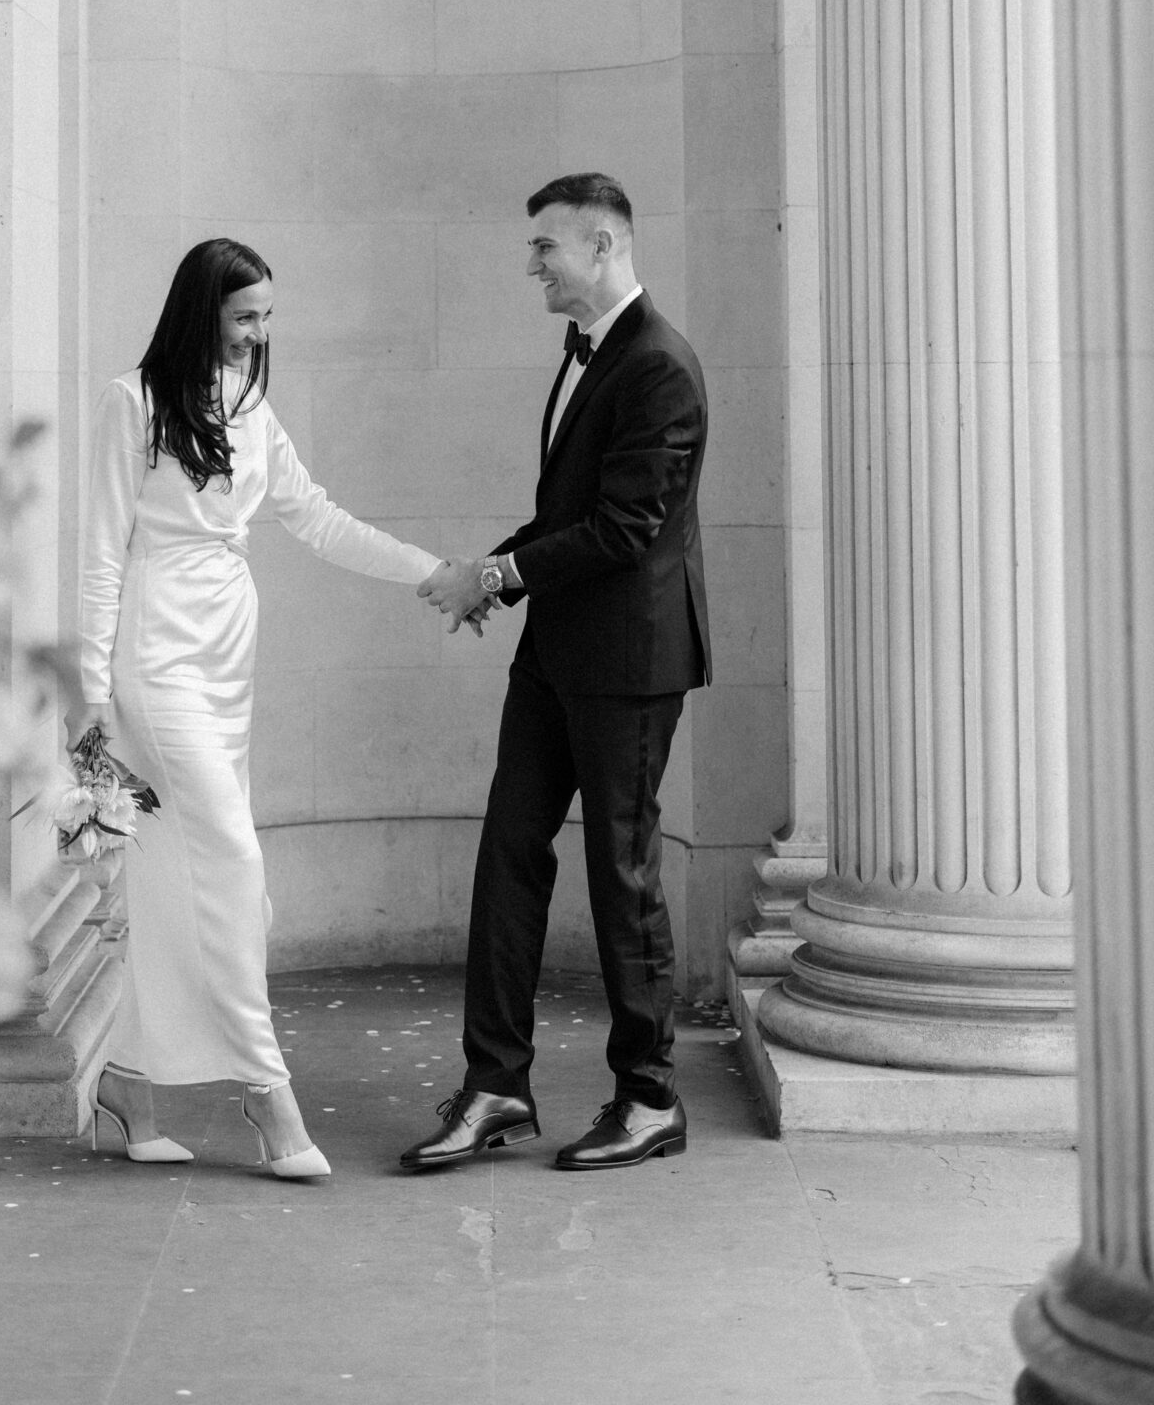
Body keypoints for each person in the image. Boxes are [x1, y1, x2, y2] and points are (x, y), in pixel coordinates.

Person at [72, 236, 440, 1180]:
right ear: (202, 312)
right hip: (156, 658)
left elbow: (317, 517)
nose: (258, 333)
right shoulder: (131, 403)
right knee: (234, 862)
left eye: (268, 316)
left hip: (227, 657)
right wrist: (90, 698)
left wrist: (434, 573)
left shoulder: (248, 407)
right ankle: (268, 1093)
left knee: (174, 876)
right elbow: (102, 552)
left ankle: (128, 1084)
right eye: (244, 316)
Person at [402, 173, 709, 1174]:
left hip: (629, 664)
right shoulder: (588, 351)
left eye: (546, 246)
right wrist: (490, 574)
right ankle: (495, 1085)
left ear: (604, 245)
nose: (530, 263)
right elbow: (565, 514)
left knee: (621, 872)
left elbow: (623, 529)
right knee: (509, 856)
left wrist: (496, 575)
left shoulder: (660, 365)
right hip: (555, 654)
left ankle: (650, 1097)